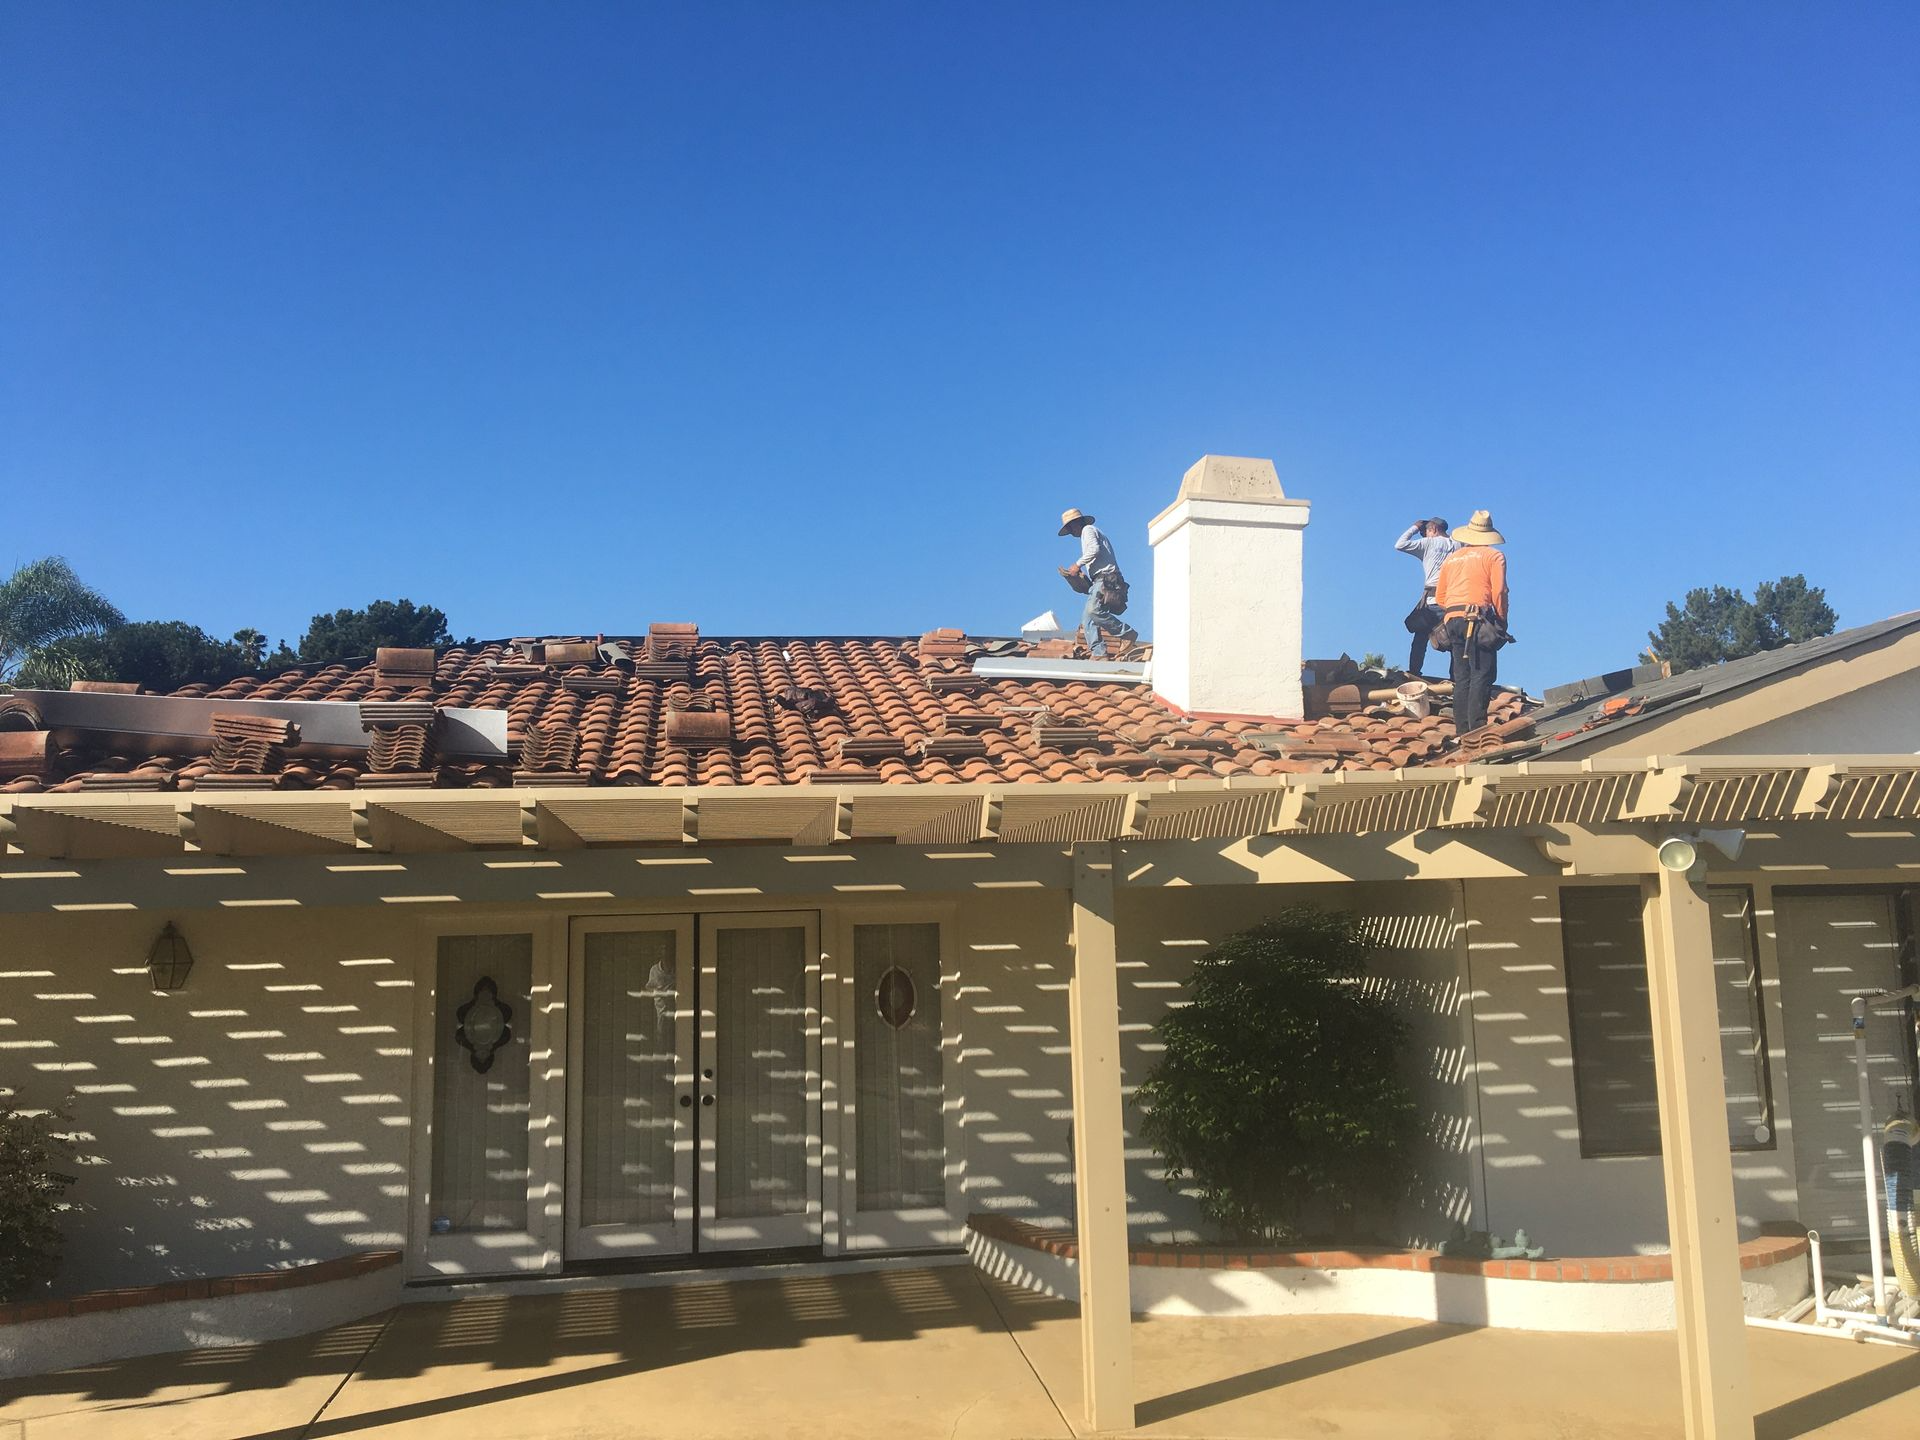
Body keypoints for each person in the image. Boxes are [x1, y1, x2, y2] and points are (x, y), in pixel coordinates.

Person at [1434, 509, 1509, 735]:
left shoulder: (1452, 558)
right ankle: (1477, 728)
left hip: (1452, 619)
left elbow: (1440, 597)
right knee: (1482, 672)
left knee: (1461, 675)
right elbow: (1499, 592)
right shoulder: (1494, 556)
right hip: (1476, 618)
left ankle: (1462, 729)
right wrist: (1502, 620)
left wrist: (1455, 610)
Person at [1058, 507, 1138, 659]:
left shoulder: (1088, 530)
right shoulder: (1088, 533)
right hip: (1100, 580)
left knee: (1093, 611)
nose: (1071, 532)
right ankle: (1099, 653)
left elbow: (1094, 549)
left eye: (1070, 528)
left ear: (1075, 524)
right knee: (1088, 619)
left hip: (1107, 578)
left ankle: (1127, 633)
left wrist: (1077, 564)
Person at [1394, 517, 1459, 677]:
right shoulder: (1459, 544)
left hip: (1432, 599)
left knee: (1420, 636)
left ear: (1434, 530)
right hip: (1453, 600)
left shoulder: (1429, 543)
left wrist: (1415, 527)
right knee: (1455, 638)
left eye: (1426, 532)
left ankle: (1414, 672)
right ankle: (1455, 677)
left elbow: (1400, 544)